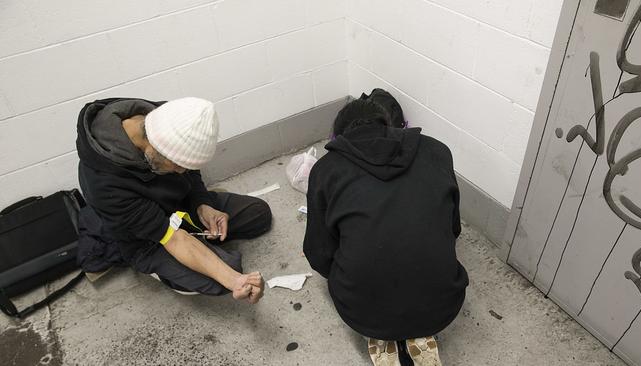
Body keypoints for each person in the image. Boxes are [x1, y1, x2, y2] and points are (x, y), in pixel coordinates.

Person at [303, 95, 469, 365]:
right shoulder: (438, 151)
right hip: (441, 305)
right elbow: (453, 228)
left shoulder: (325, 170)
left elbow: (318, 253)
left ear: (339, 136)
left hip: (362, 312)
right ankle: (417, 329)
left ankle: (381, 333)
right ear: (391, 126)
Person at [76, 97, 271, 303]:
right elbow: (173, 238)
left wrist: (202, 203)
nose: (182, 171)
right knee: (225, 276)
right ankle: (171, 265)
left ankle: (200, 243)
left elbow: (191, 172)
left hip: (180, 205)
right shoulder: (104, 184)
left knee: (259, 215)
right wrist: (235, 280)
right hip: (149, 240)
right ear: (153, 148)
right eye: (178, 165)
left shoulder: (166, 118)